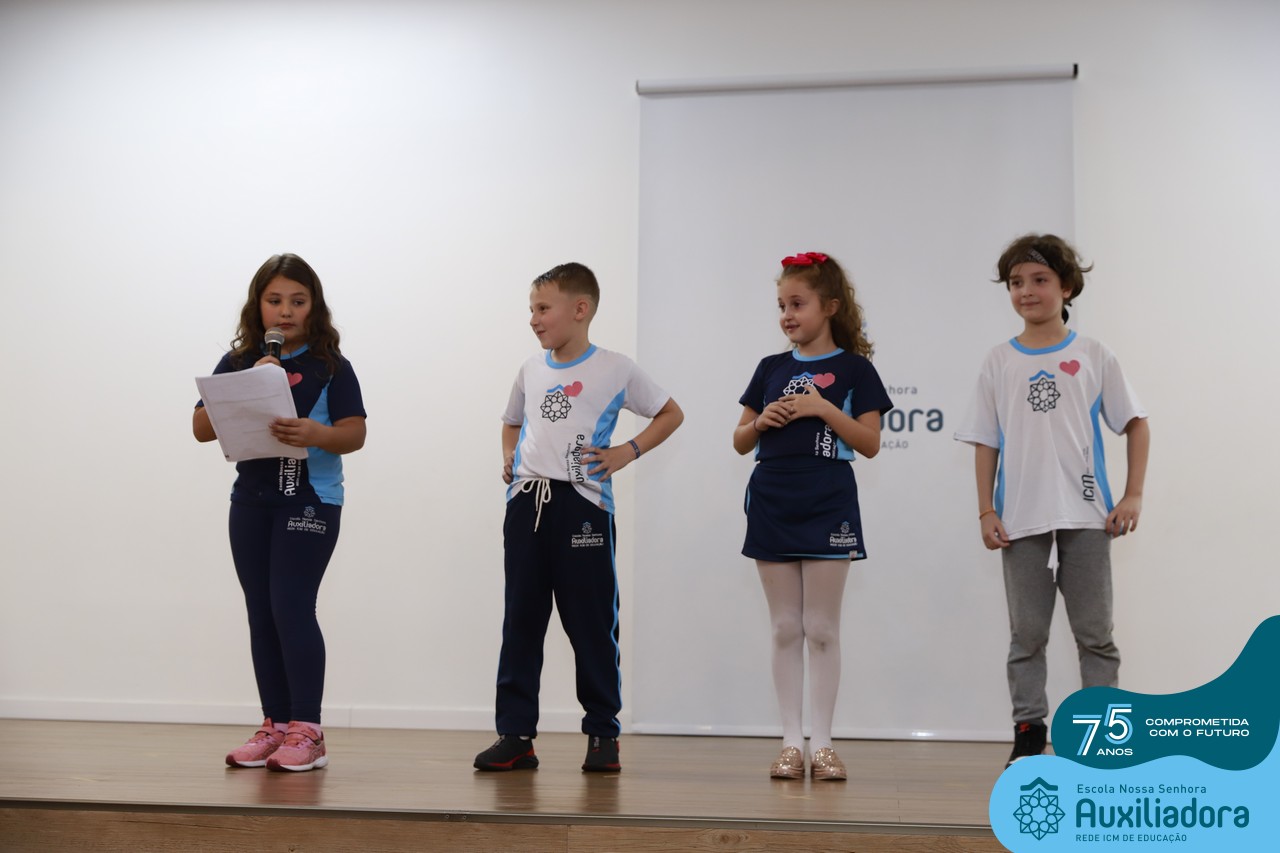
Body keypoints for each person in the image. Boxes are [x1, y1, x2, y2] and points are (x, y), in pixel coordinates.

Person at [473, 262, 683, 774]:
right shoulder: (530, 369)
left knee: (590, 623)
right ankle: (516, 735)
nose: (534, 319)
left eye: (543, 308)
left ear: (580, 309)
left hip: (583, 508)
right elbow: (511, 422)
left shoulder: (616, 368)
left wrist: (626, 451)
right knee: (521, 621)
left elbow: (670, 413)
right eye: (531, 309)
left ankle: (602, 734)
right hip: (527, 505)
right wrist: (509, 456)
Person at [953, 234, 1149, 767]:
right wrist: (986, 510)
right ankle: (1028, 732)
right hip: (1020, 521)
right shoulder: (998, 361)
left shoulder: (1093, 355)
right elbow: (986, 442)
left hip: (1087, 518)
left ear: (1066, 287)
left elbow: (1136, 423)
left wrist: (1132, 494)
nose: (1026, 291)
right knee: (1027, 636)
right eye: (1016, 282)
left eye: (1039, 280)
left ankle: (1101, 736)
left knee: (1096, 636)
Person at [193, 253, 367, 772]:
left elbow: (355, 434)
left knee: (291, 606)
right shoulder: (239, 361)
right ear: (258, 306)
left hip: (310, 500)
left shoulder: (331, 366)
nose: (285, 311)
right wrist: (249, 384)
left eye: (297, 300)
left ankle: (307, 730)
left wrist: (316, 434)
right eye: (274, 301)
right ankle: (274, 726)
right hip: (251, 502)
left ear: (314, 307)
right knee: (261, 612)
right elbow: (200, 429)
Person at [732, 252, 893, 781]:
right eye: (782, 305)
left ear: (830, 307)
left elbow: (870, 442)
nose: (787, 315)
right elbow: (739, 440)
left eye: (797, 304)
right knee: (784, 627)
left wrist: (823, 407)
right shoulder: (770, 368)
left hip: (828, 500)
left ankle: (822, 744)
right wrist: (762, 421)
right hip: (773, 499)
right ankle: (789, 743)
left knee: (821, 627)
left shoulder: (855, 369)